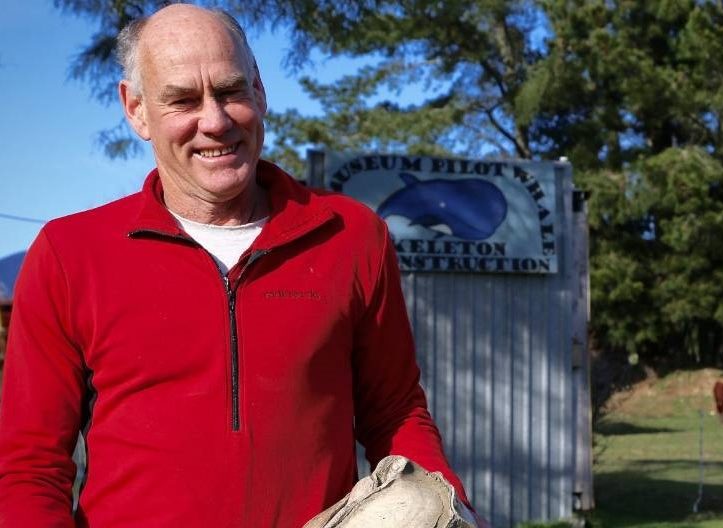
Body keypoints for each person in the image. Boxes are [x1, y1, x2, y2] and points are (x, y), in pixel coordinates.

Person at [0, 4, 475, 527]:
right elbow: (30, 466)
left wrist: (450, 506)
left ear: (260, 90)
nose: (215, 121)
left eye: (230, 91)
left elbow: (396, 411)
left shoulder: (351, 235)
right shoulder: (70, 253)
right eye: (182, 100)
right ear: (135, 109)